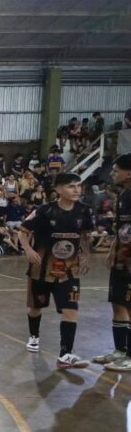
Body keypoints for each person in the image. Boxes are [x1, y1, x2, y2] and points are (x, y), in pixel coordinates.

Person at [19, 172, 93, 369]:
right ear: (58, 189)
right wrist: (28, 250)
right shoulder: (43, 211)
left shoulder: (84, 211)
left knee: (71, 310)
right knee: (36, 307)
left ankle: (65, 355)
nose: (77, 190)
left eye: (79, 186)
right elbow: (23, 232)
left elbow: (85, 235)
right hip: (41, 270)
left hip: (69, 270)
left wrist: (86, 254)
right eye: (71, 186)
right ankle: (34, 336)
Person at [94, 154, 131, 370]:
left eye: (115, 170)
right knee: (118, 303)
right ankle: (120, 350)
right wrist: (113, 249)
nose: (111, 173)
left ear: (128, 173)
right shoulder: (124, 195)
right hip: (121, 258)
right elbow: (121, 229)